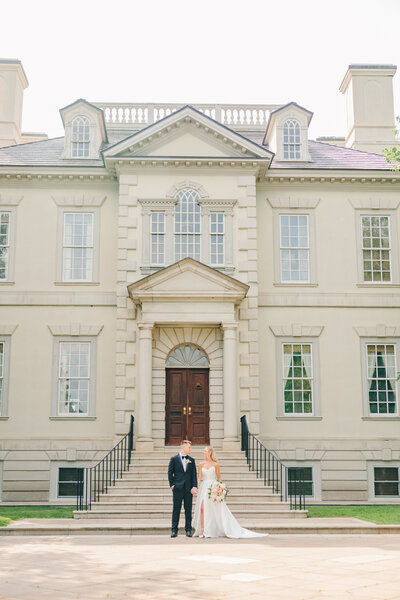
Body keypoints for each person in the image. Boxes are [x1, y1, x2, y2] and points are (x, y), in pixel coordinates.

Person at [192, 446, 268, 539]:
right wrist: (196, 487)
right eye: (203, 451)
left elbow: (219, 478)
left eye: (205, 451)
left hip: (213, 487)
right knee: (203, 508)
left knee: (213, 509)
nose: (203, 452)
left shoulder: (215, 464)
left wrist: (221, 489)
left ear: (210, 452)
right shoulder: (201, 464)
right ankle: (203, 530)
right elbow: (199, 477)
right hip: (204, 488)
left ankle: (212, 529)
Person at [168, 439, 197, 538]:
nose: (190, 449)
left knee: (188, 510)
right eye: (189, 447)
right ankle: (174, 530)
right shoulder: (174, 459)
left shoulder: (191, 460)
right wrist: (172, 484)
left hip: (188, 489)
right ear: (183, 447)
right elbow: (170, 473)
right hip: (178, 488)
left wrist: (194, 486)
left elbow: (194, 474)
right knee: (176, 509)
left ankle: (188, 530)